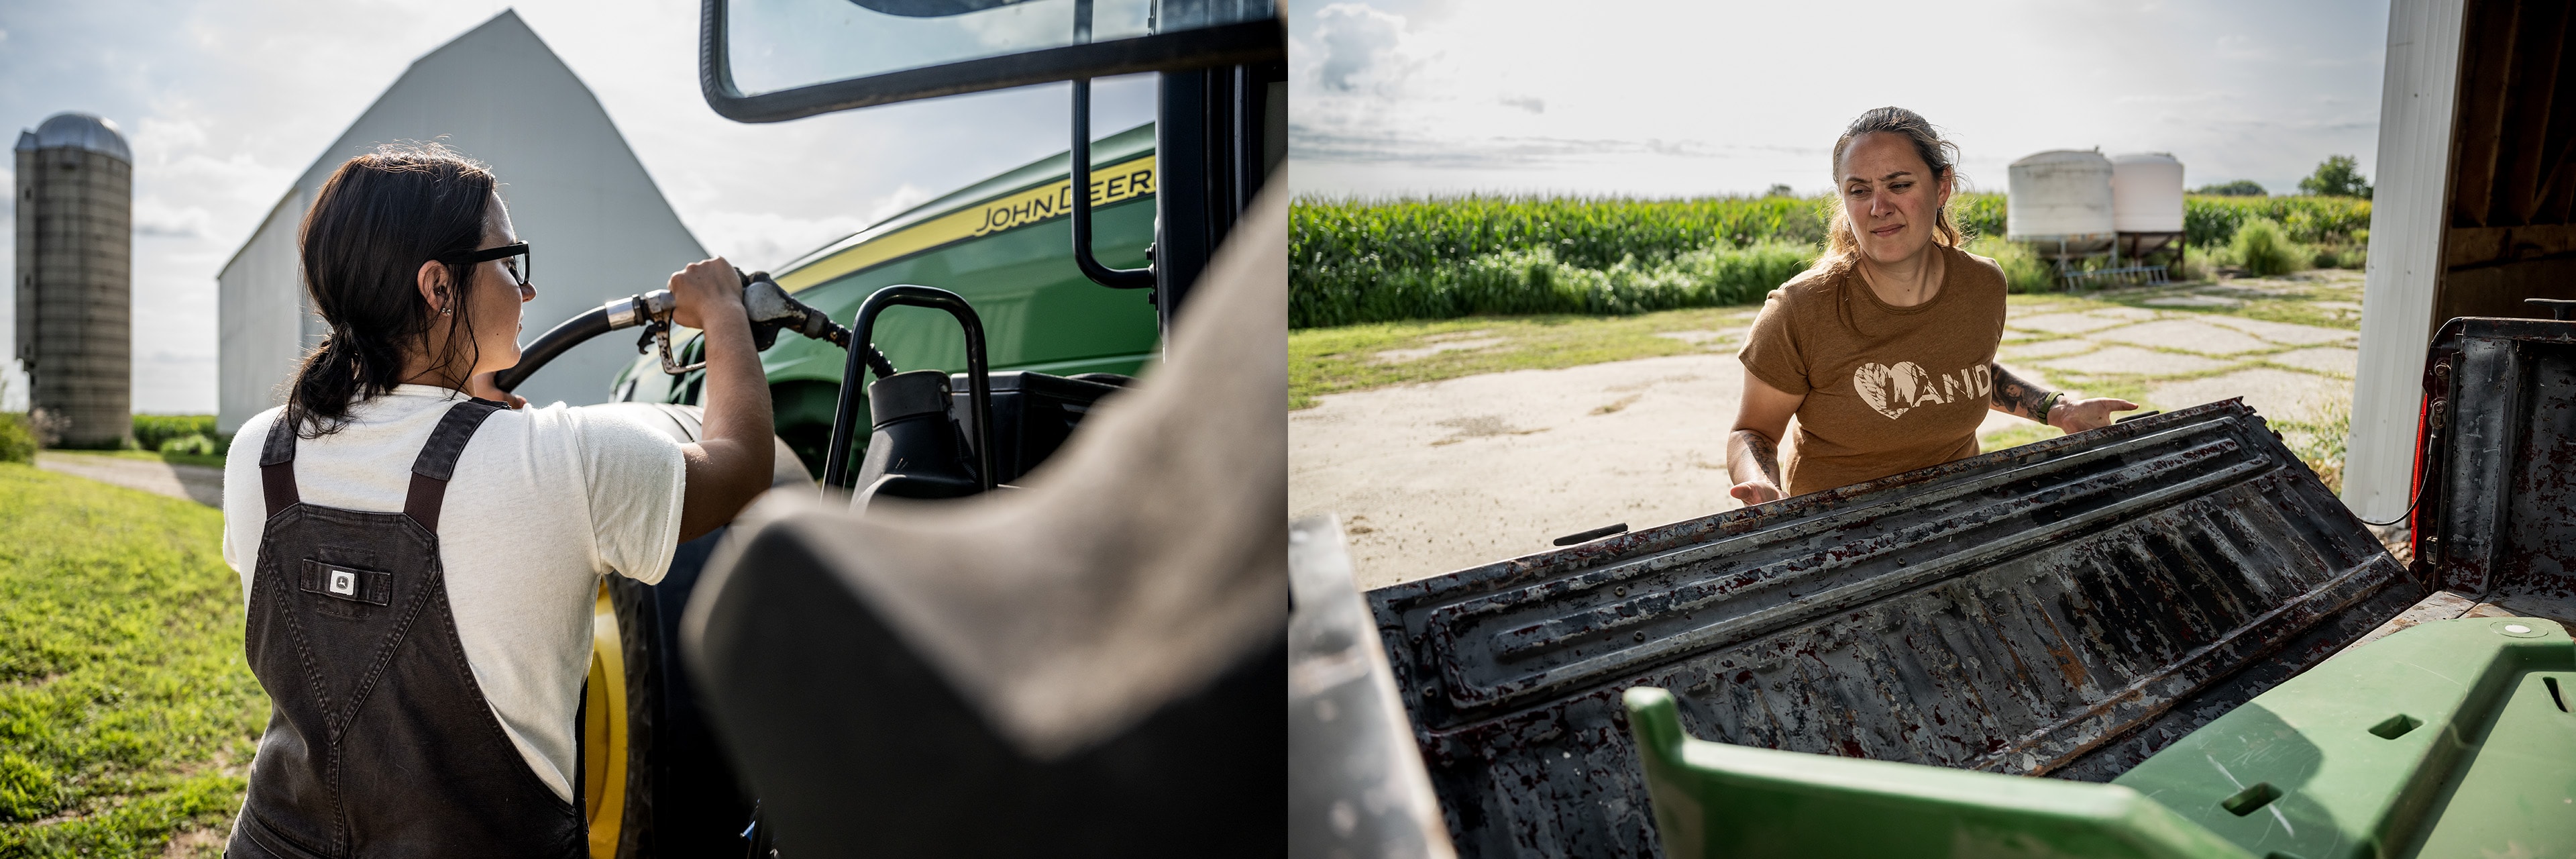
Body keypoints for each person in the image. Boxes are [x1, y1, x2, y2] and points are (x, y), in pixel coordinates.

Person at [217, 143, 775, 857]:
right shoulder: (560, 461)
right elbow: (741, 466)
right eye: (510, 263)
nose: (528, 291)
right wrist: (726, 313)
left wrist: (455, 401)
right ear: (438, 287)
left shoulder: (261, 452)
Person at [1727, 108, 2134, 505]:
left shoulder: (1983, 285)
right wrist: (1762, 486)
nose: (1878, 207)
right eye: (1859, 190)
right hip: (1838, 537)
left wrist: (2057, 410)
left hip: (1958, 513)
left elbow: (1963, 373)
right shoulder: (1801, 308)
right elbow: (1753, 432)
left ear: (1942, 187)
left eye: (1899, 185)